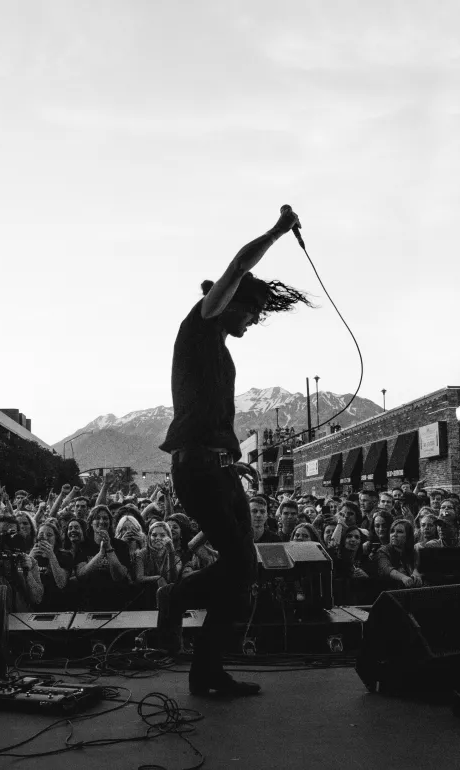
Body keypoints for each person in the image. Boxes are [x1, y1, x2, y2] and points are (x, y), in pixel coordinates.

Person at [156, 205, 310, 697]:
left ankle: (207, 671)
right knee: (240, 565)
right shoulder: (202, 323)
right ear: (231, 302)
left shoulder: (218, 347)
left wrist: (232, 457)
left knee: (243, 570)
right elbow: (239, 265)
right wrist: (278, 231)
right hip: (198, 469)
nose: (255, 318)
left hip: (217, 468)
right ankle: (176, 598)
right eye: (252, 310)